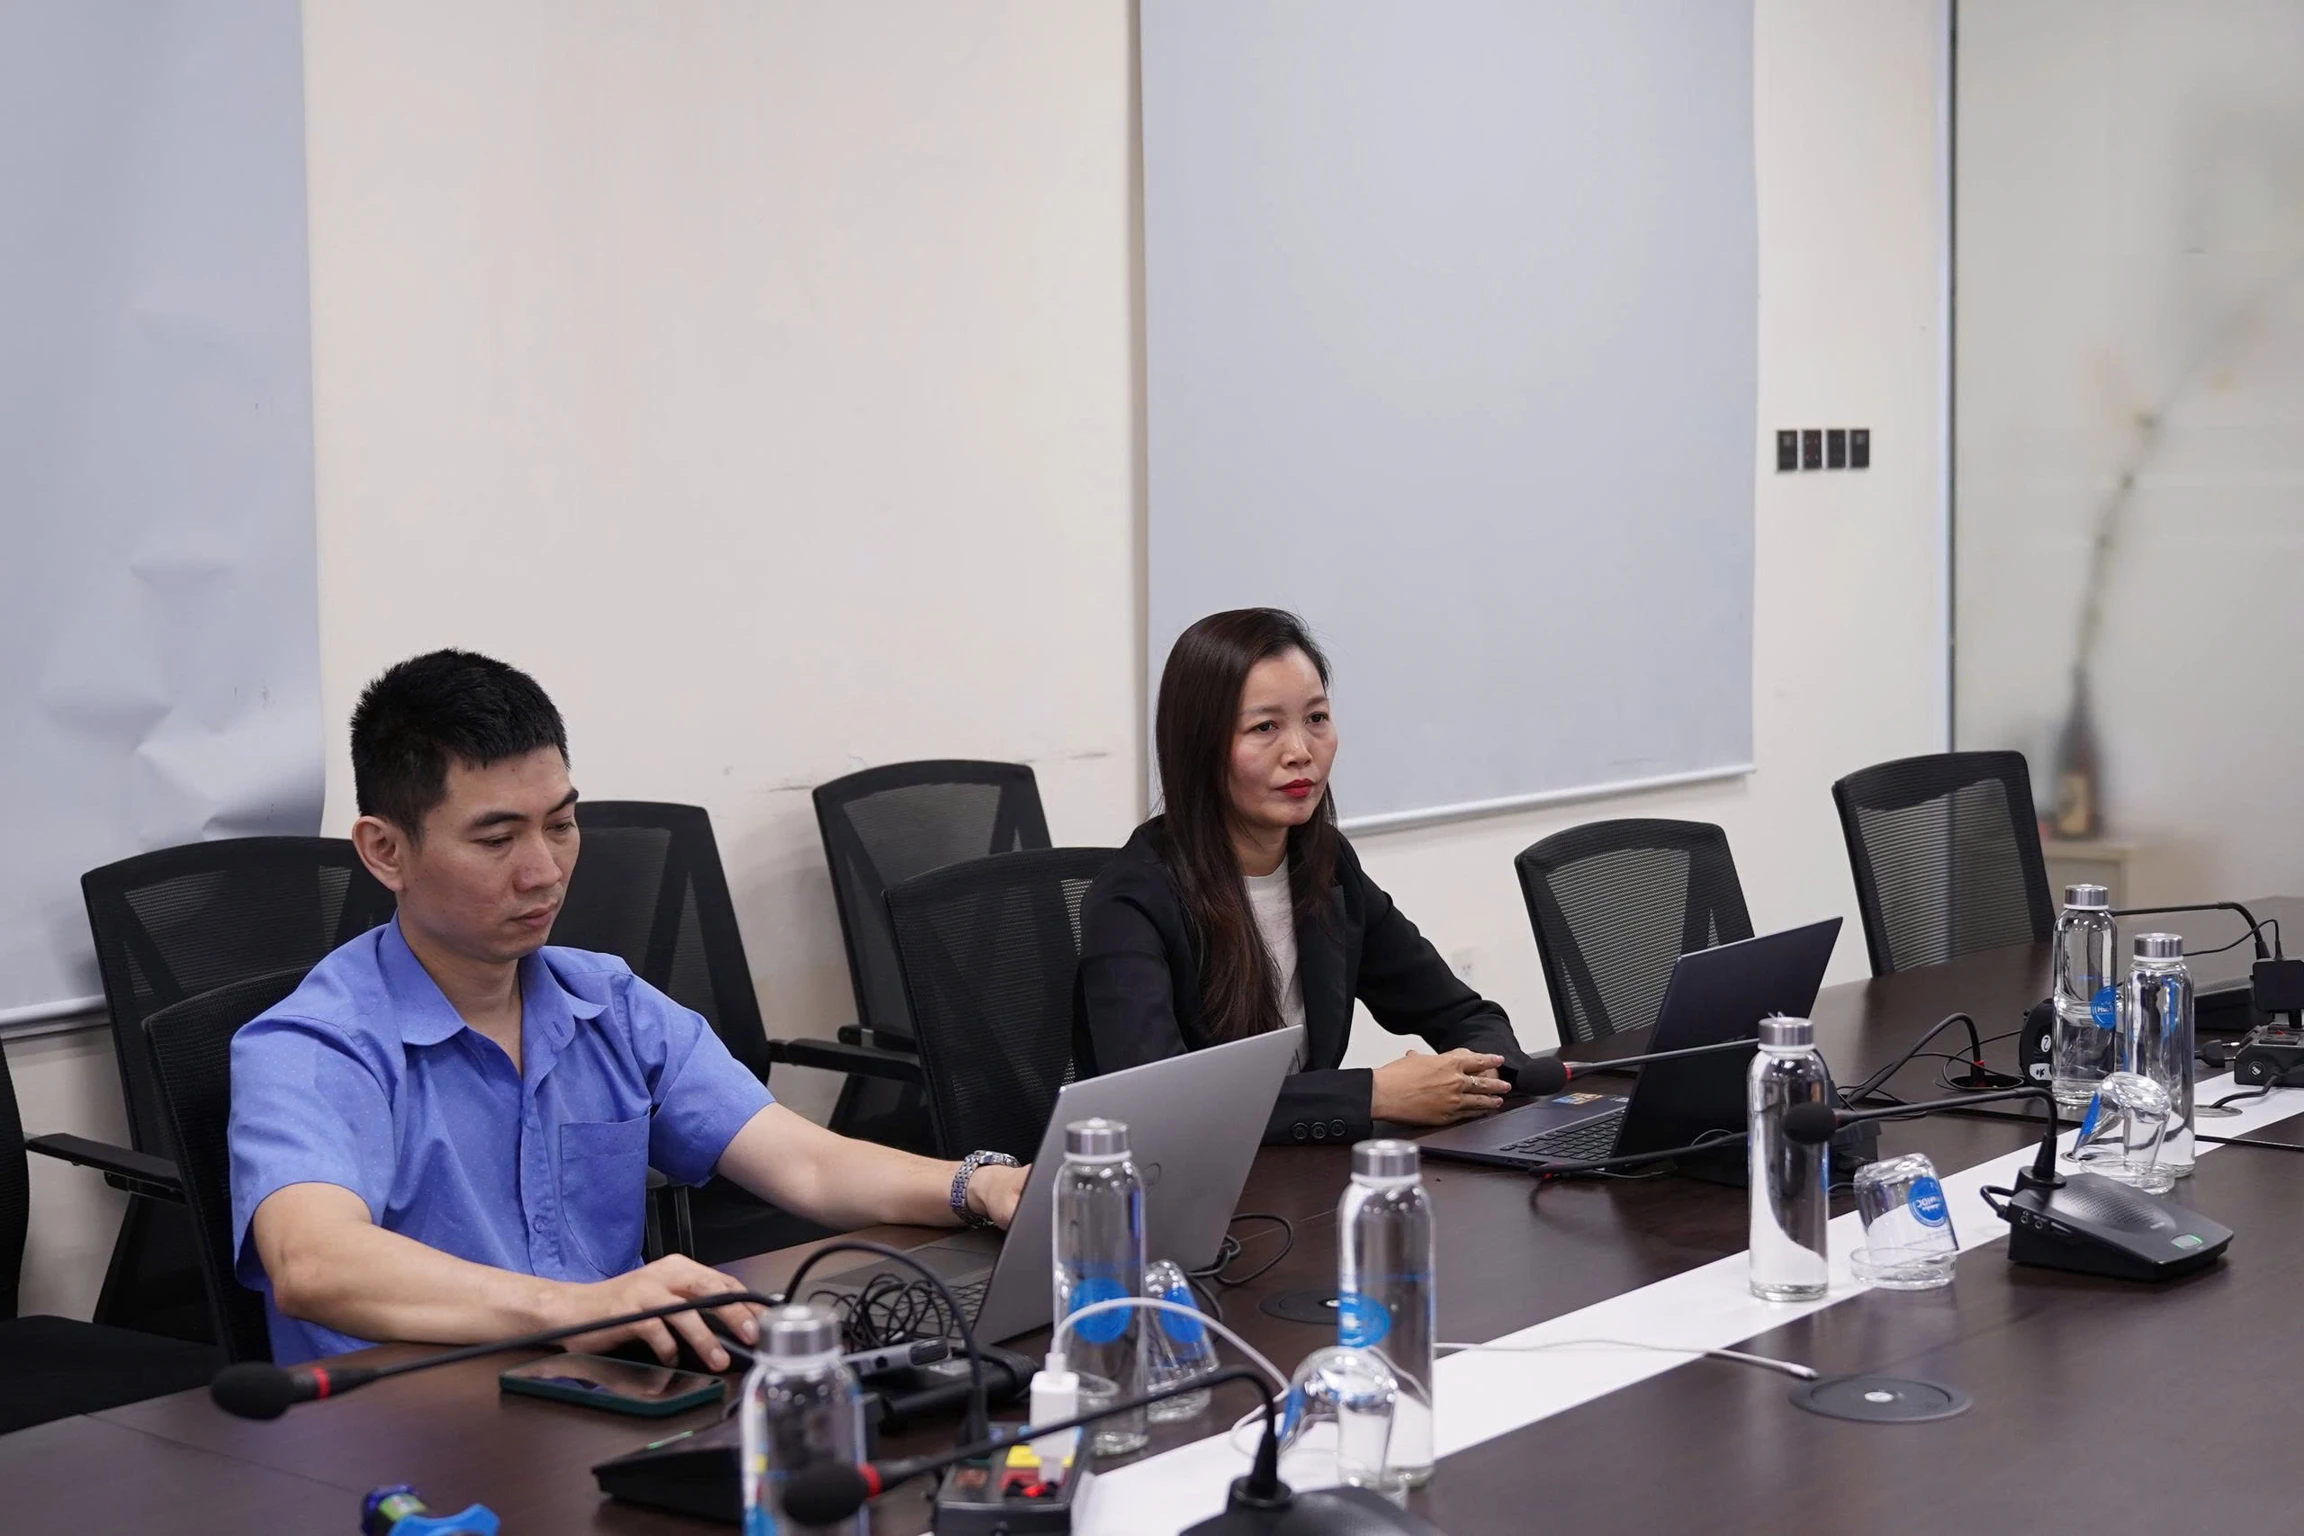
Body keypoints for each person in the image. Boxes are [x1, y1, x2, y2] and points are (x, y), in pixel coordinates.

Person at [230, 650, 1029, 1367]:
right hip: (403, 1433)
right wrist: (573, 1308)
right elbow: (313, 1263)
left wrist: (980, 1185)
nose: (544, 871)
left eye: (561, 825)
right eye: (497, 840)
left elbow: (807, 1165)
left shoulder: (605, 1002)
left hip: (603, 1393)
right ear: (385, 850)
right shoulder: (315, 1043)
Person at [1073, 608, 1529, 1146]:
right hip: (1191, 1188)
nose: (1300, 752)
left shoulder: (1327, 866)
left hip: (1305, 1174)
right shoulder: (1132, 901)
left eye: (1316, 718)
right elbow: (1159, 1104)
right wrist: (1373, 1095)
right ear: (1199, 747)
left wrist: (1482, 1074)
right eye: (1265, 727)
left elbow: (1463, 1013)